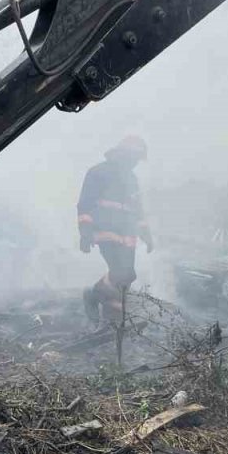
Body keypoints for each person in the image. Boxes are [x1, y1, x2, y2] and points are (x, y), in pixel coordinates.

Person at [77, 135, 153, 324]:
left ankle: (113, 320)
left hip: (128, 233)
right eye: (133, 158)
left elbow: (138, 208)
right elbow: (84, 204)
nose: (135, 163)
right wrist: (85, 232)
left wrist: (146, 234)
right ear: (122, 154)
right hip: (105, 231)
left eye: (137, 159)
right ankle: (94, 295)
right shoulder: (98, 172)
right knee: (120, 273)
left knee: (127, 277)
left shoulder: (131, 179)